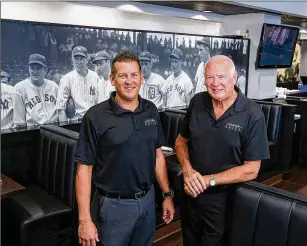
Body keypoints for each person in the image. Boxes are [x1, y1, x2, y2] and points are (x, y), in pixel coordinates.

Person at [73, 51, 175, 246]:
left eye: (134, 75)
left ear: (142, 78)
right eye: (123, 75)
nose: (130, 81)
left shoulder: (151, 110)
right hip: (113, 207)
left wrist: (167, 195)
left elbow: (158, 156)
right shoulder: (95, 117)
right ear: (112, 79)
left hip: (147, 201)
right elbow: (83, 170)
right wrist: (84, 220)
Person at [175, 55, 270, 246]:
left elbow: (252, 168)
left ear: (233, 78)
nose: (215, 83)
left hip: (227, 201)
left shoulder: (252, 114)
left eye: (221, 77)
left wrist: (207, 180)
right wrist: (188, 171)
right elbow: (180, 142)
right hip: (191, 194)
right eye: (209, 77)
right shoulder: (197, 102)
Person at [14, 54, 59, 127]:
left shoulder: (54, 86)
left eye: (38, 68)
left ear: (45, 70)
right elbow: (20, 122)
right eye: (32, 68)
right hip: (34, 131)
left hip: (55, 129)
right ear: (29, 69)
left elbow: (60, 112)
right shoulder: (19, 88)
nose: (35, 71)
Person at [57, 46, 99, 122]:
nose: (79, 62)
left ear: (87, 59)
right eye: (76, 59)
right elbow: (61, 108)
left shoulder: (95, 76)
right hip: (76, 121)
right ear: (73, 60)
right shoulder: (67, 78)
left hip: (94, 120)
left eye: (82, 59)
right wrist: (64, 129)